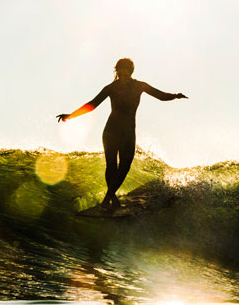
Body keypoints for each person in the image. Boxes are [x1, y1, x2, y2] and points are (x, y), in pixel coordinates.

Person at [56, 58, 187, 209]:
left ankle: (109, 197)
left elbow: (161, 96)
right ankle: (110, 198)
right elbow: (92, 105)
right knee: (111, 166)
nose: (123, 73)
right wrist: (71, 115)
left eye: (126, 70)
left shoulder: (139, 86)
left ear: (131, 71)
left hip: (128, 133)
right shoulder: (111, 88)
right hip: (111, 131)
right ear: (117, 71)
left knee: (125, 166)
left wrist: (176, 95)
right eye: (120, 70)